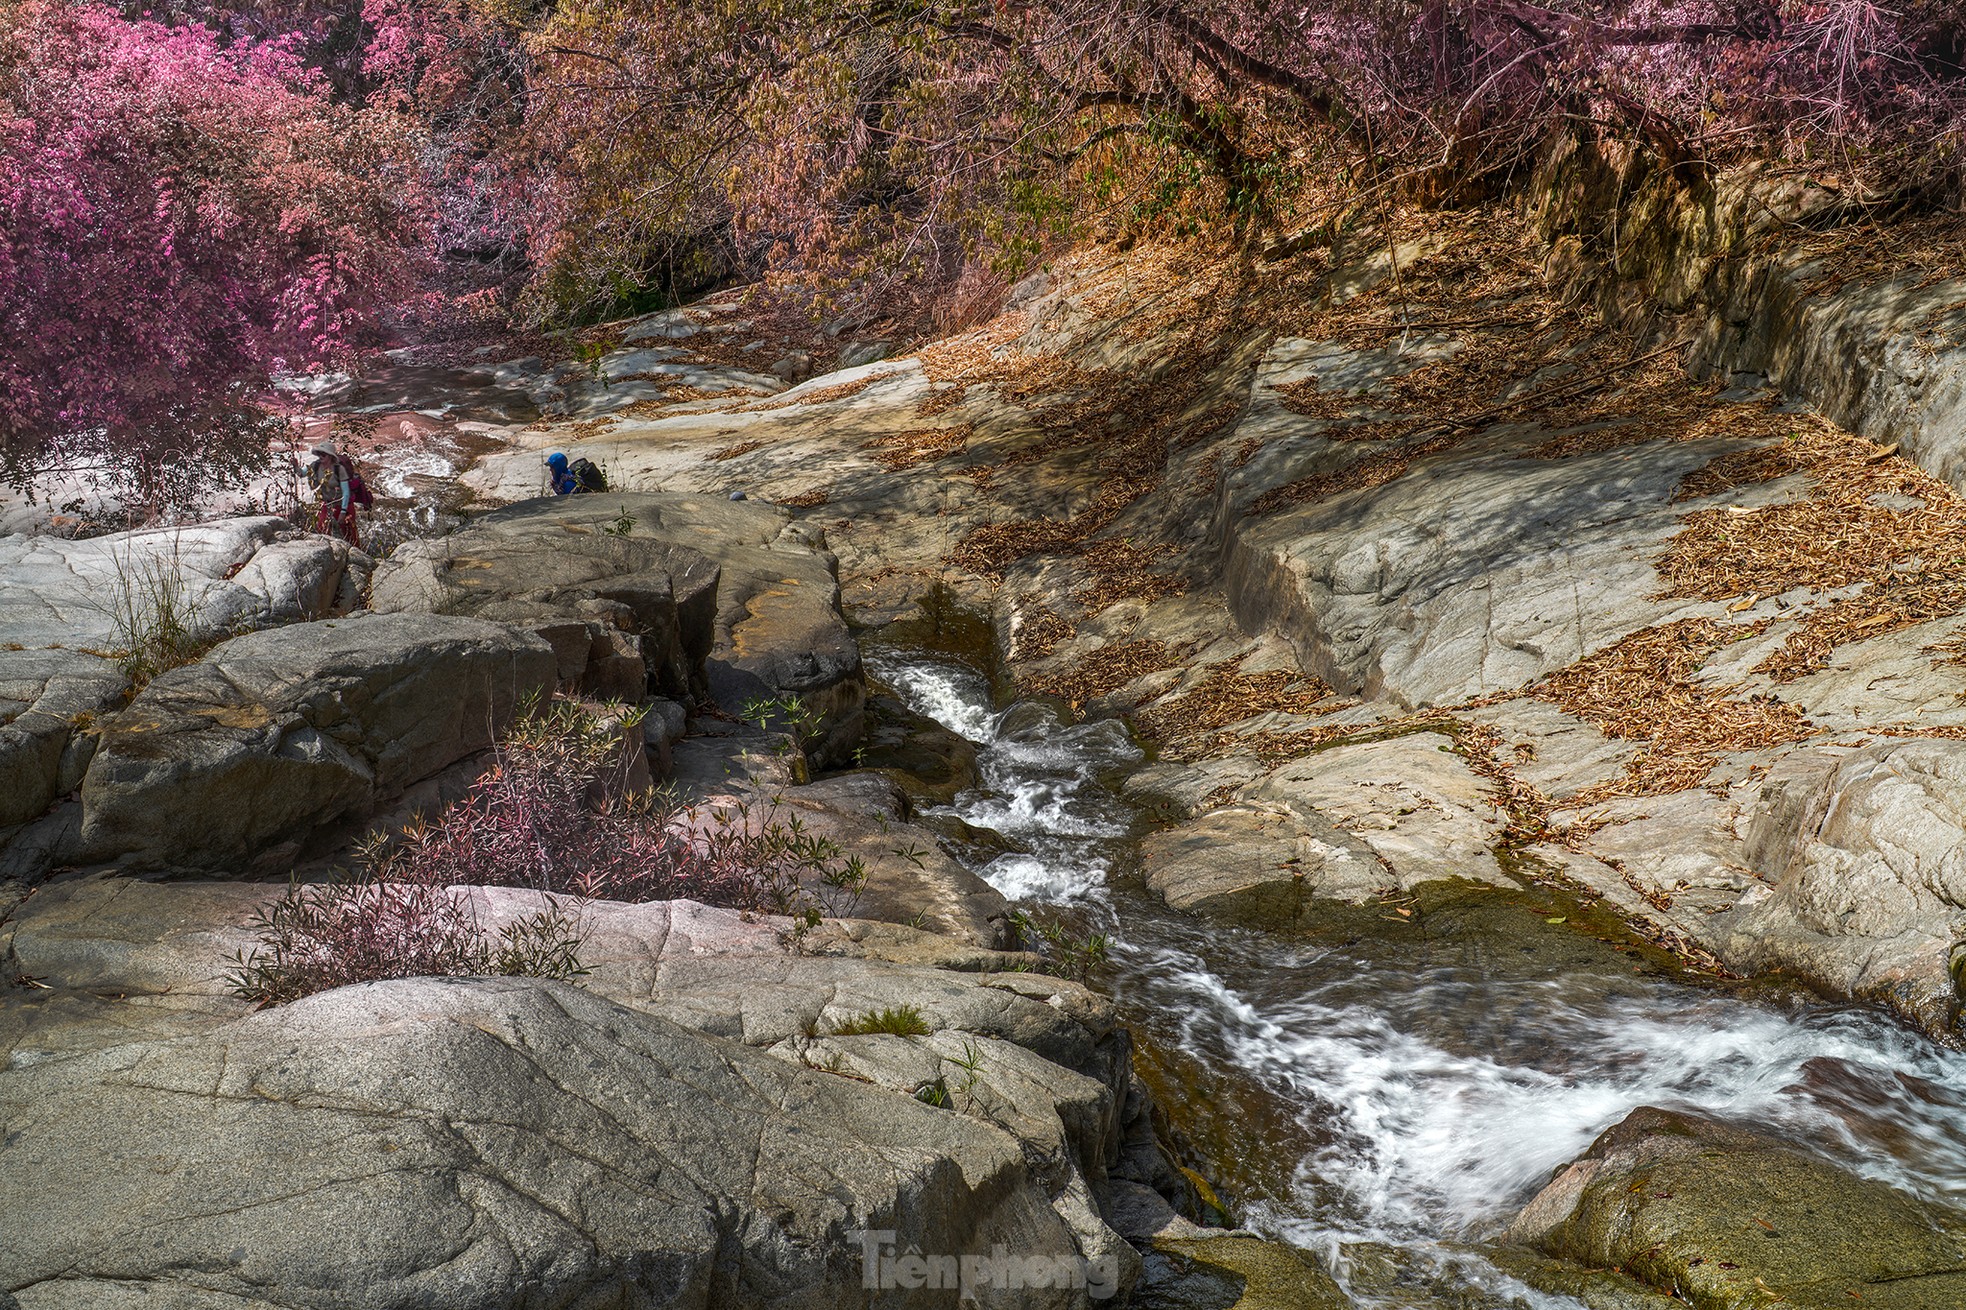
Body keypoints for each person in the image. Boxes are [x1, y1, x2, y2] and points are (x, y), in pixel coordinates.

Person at [305, 441, 366, 546]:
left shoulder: (339, 469)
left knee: (350, 533)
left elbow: (346, 492)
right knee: (322, 528)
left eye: (323, 454)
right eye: (319, 453)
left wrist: (343, 512)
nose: (320, 456)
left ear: (330, 456)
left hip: (343, 504)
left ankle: (358, 554)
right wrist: (295, 466)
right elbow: (301, 473)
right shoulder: (315, 465)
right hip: (326, 503)